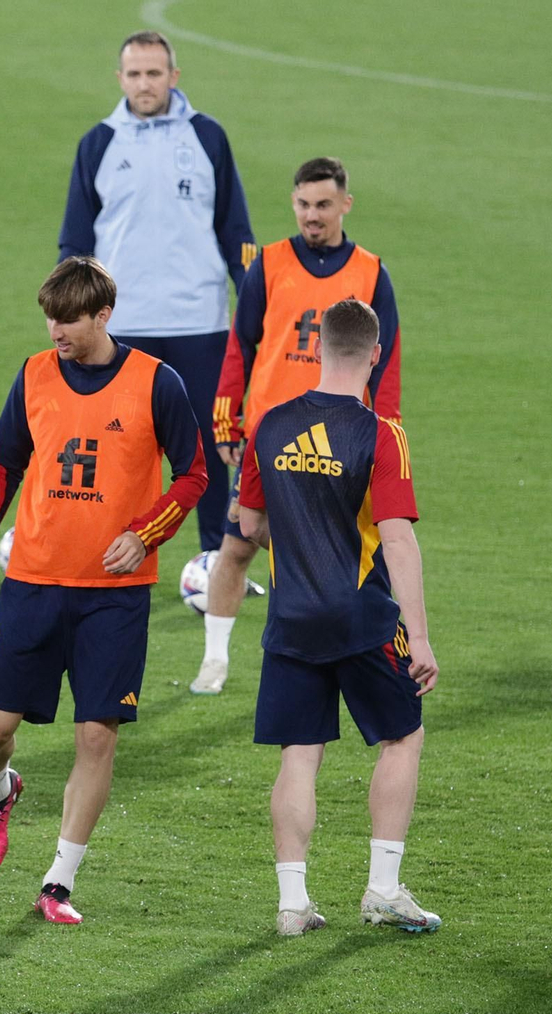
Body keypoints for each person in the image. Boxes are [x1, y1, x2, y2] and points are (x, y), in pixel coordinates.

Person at [0, 257, 208, 924]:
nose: (55, 330)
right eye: (49, 318)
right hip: (32, 583)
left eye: (68, 319)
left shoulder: (155, 383)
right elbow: (5, 462)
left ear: (103, 315)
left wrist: (146, 534)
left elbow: (193, 473)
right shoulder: (33, 375)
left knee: (96, 737)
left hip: (115, 596)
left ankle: (58, 881)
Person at [236, 298, 440, 936]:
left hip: (291, 616)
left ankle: (292, 903)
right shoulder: (382, 433)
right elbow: (398, 539)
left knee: (300, 753)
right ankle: (381, 889)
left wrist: (298, 548)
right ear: (375, 355)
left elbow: (249, 523)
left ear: (317, 349)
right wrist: (422, 638)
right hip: (361, 616)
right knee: (402, 736)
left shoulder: (269, 425)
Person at [194, 157, 404, 695]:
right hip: (269, 436)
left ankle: (353, 656)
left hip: (343, 439)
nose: (313, 216)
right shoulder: (267, 265)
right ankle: (214, 660)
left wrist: (387, 434)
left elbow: (388, 362)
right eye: (304, 204)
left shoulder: (371, 272)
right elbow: (239, 346)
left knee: (348, 552)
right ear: (293, 203)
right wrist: (226, 420)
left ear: (345, 205)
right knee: (238, 543)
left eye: (324, 205)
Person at [59, 30, 254, 555]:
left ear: (174, 76)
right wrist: (70, 312)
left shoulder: (208, 137)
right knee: (120, 446)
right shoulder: (99, 142)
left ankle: (215, 558)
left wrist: (256, 305)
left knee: (212, 447)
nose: (145, 84)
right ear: (120, 78)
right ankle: (108, 549)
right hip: (121, 325)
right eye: (135, 74)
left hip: (201, 322)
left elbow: (235, 232)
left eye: (154, 73)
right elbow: (76, 241)